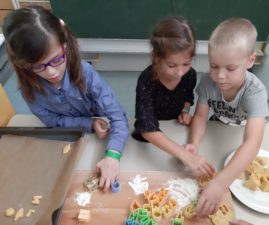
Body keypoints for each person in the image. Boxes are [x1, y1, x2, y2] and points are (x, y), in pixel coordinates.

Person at [3, 6, 129, 191]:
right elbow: (53, 122)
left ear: (64, 44)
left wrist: (113, 156)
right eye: (38, 67)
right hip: (74, 137)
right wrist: (88, 123)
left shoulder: (86, 73)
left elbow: (117, 116)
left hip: (99, 129)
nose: (52, 72)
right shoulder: (29, 91)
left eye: (56, 60)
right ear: (23, 65)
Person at [185, 18, 269, 217]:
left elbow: (253, 141)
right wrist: (194, 143)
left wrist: (221, 183)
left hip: (243, 132)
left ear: (250, 61)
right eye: (214, 66)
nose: (220, 76)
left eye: (230, 68)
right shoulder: (208, 81)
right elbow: (200, 115)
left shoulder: (255, 92)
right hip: (219, 126)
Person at [131, 16, 214, 176]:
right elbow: (146, 128)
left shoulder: (190, 75)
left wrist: (185, 111)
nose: (180, 72)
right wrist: (185, 155)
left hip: (175, 130)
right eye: (171, 65)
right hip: (151, 140)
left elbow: (188, 97)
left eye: (186, 64)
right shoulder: (147, 80)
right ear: (156, 57)